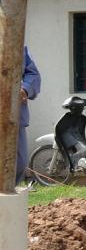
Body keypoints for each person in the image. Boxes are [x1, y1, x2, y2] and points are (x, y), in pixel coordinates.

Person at [16, 46, 41, 186]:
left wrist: (25, 89)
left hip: (14, 118)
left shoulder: (17, 45)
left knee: (19, 164)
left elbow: (33, 74)